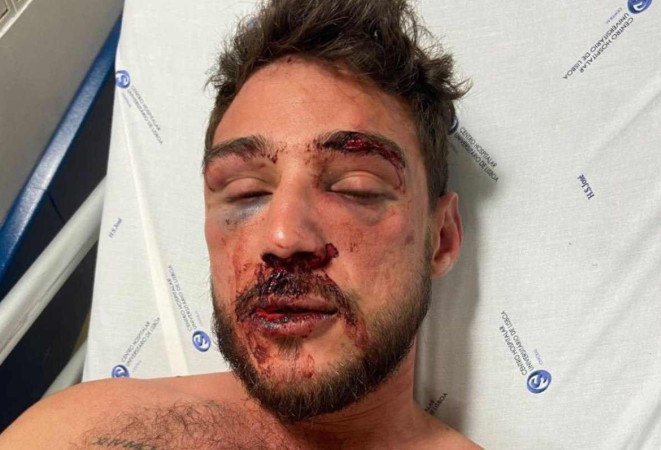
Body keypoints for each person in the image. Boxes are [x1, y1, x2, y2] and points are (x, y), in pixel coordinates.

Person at [0, 0, 478, 447]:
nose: (283, 237)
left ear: (442, 239)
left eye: (356, 188)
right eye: (247, 192)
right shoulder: (81, 429)